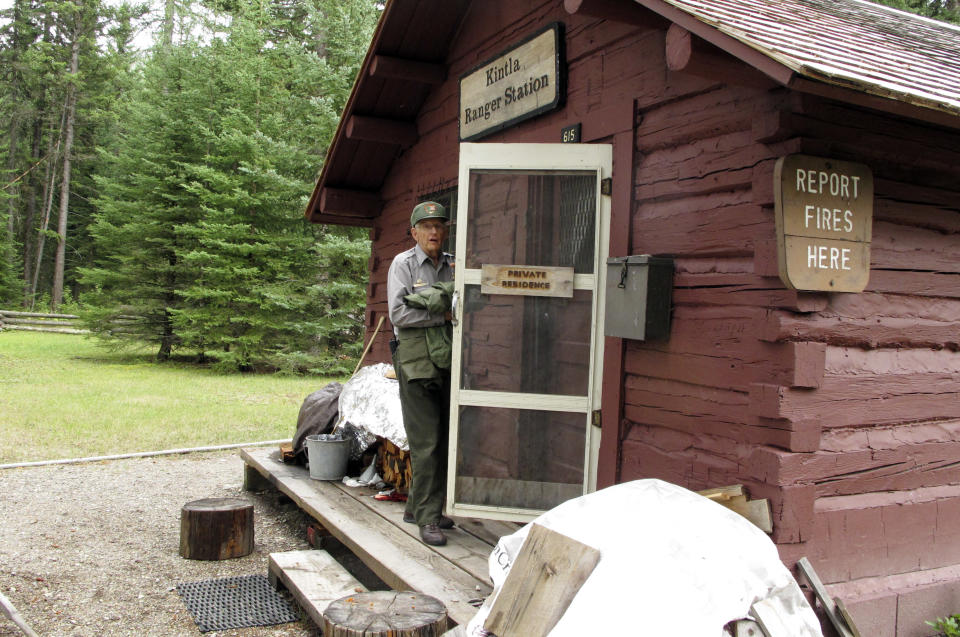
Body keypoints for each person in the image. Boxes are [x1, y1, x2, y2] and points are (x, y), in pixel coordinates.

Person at [387, 201, 455, 546]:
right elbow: (398, 314)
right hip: (415, 362)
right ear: (414, 232)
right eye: (426, 226)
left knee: (442, 438)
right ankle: (429, 519)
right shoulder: (403, 264)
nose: (433, 232)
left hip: (445, 360)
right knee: (426, 442)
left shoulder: (451, 266)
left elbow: (463, 305)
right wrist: (441, 314)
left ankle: (418, 506)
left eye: (439, 226)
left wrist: (429, 302)